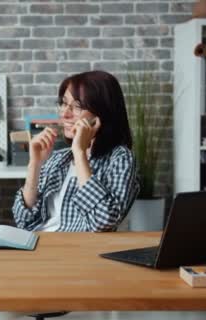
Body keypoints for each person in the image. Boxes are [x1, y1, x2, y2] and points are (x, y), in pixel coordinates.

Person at [13, 70, 139, 232]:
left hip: (76, 251)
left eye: (77, 106)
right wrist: (35, 164)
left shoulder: (120, 158)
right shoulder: (58, 159)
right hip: (38, 245)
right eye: (64, 103)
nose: (64, 114)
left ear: (102, 113)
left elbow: (103, 222)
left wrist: (80, 153)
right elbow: (24, 221)